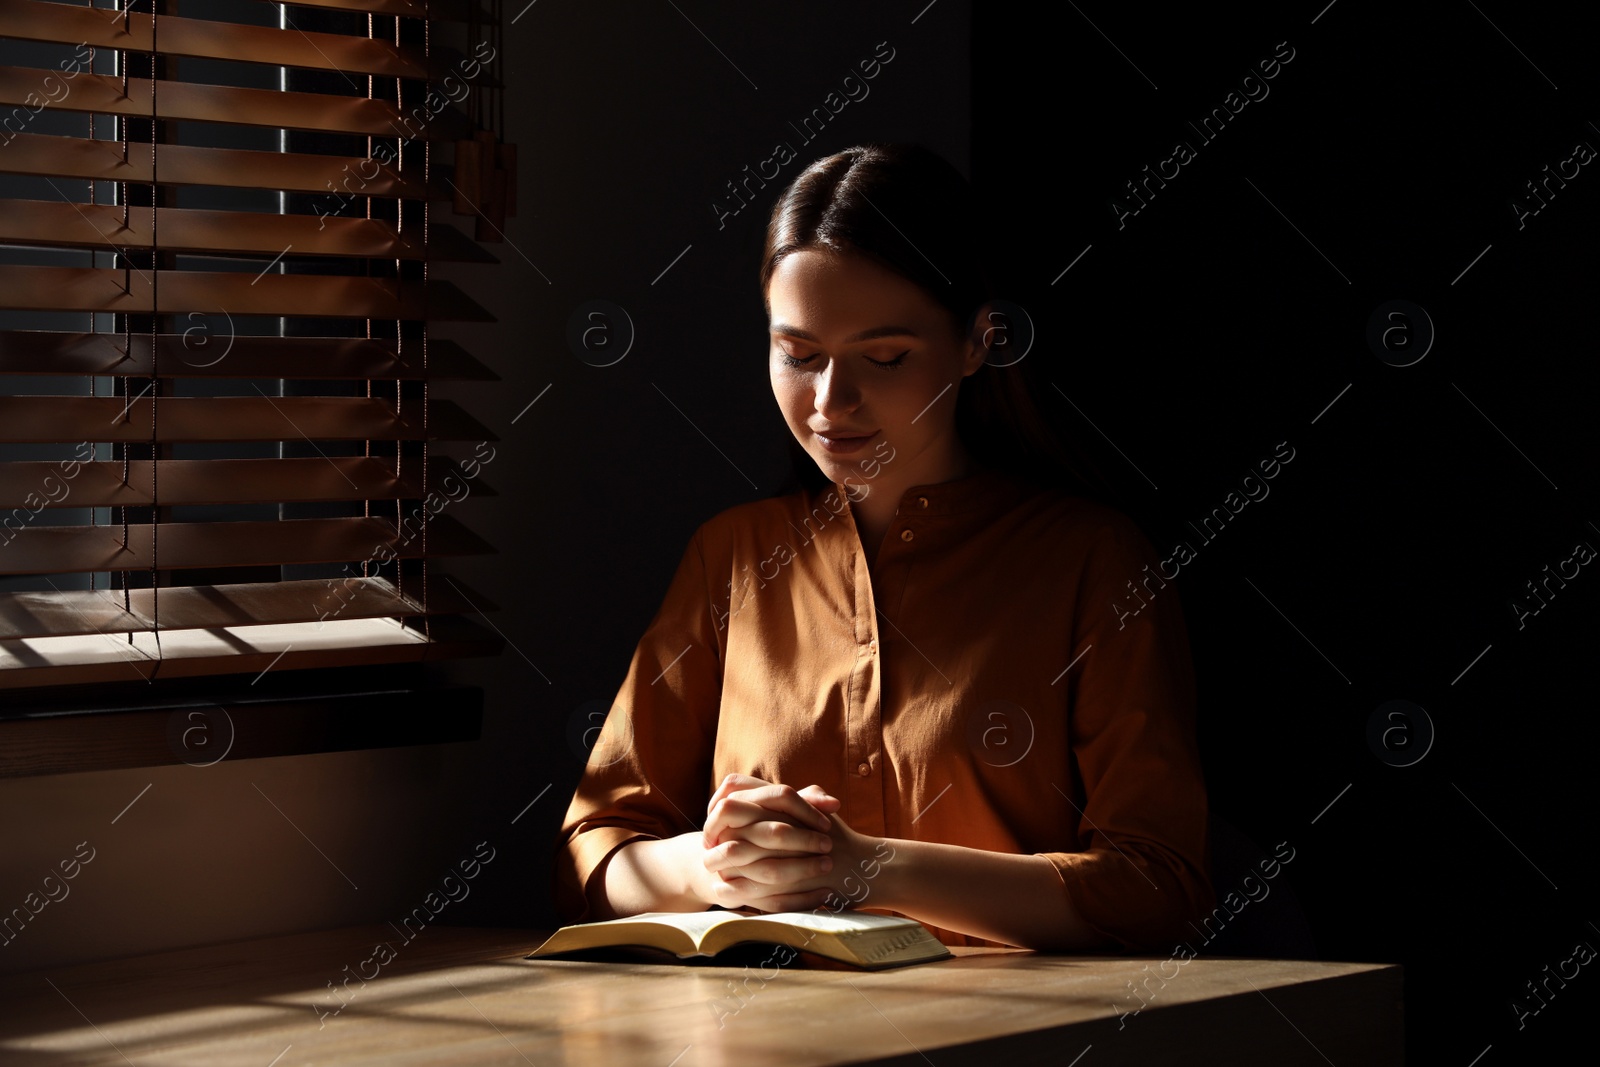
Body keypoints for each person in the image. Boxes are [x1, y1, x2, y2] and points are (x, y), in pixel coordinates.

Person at [552, 143, 1213, 951]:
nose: (832, 403)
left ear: (978, 342)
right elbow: (596, 848)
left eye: (886, 357)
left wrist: (868, 869)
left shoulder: (1091, 560)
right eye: (797, 354)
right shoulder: (731, 555)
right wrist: (711, 867)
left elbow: (1157, 883)